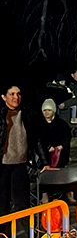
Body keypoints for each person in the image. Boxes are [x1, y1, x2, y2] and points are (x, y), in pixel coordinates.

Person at [0, 85, 37, 214]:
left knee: (22, 205)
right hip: (3, 166)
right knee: (2, 206)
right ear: (4, 97)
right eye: (12, 94)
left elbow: (36, 139)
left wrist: (44, 162)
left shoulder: (27, 114)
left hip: (21, 164)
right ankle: (3, 234)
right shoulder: (1, 114)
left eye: (18, 94)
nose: (16, 97)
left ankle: (28, 234)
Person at [37, 98, 72, 170]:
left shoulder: (62, 124)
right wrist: (48, 147)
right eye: (44, 110)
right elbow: (37, 139)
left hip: (60, 157)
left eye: (49, 110)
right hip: (44, 158)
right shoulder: (38, 124)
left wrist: (62, 146)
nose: (46, 112)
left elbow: (67, 136)